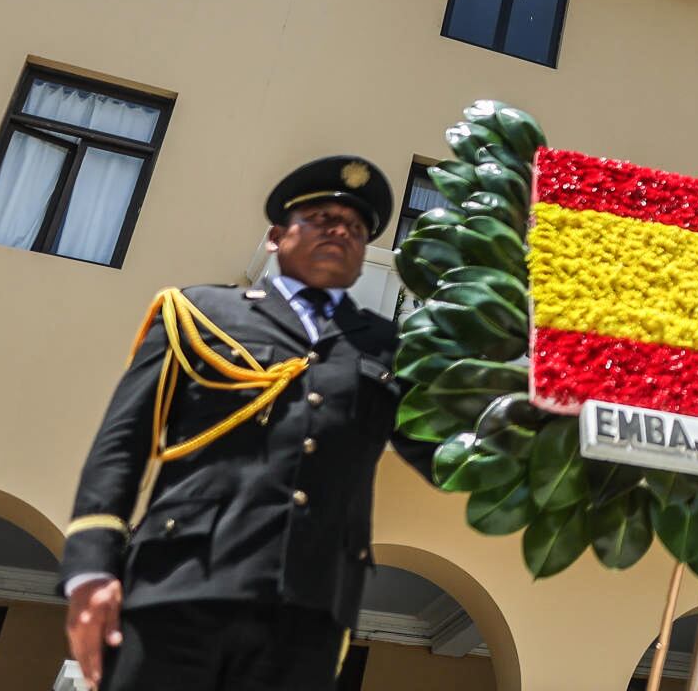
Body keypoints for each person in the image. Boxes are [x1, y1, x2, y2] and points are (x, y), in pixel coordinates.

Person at [58, 156, 440, 690]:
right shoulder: (199, 312)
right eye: (322, 218)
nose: (340, 231)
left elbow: (445, 457)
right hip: (179, 586)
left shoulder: (390, 348)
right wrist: (92, 568)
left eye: (355, 228)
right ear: (275, 237)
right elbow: (123, 443)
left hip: (309, 612)